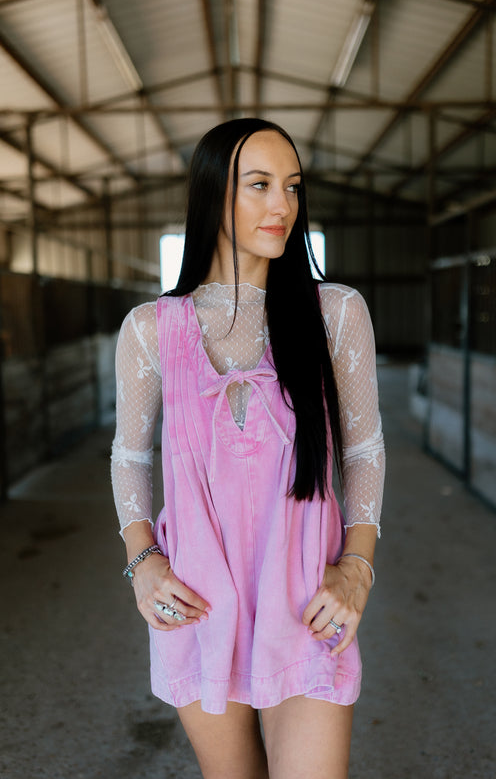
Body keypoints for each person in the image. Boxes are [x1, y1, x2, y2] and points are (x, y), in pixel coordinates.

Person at [111, 117, 385, 779]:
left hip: (304, 600)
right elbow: (129, 456)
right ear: (212, 195)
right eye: (258, 184)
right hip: (197, 599)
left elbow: (363, 449)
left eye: (290, 186)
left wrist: (355, 566)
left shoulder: (334, 311)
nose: (281, 205)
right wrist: (143, 559)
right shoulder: (153, 328)